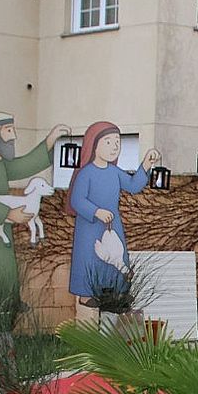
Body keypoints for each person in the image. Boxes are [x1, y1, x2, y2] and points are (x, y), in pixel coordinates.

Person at [0, 112, 69, 302]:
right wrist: (8, 213)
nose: (14, 136)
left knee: (4, 267)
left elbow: (23, 166)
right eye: (8, 130)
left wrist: (49, 141)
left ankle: (7, 302)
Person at [67, 121, 161, 306]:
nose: (114, 146)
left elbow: (133, 185)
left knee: (117, 257)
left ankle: (118, 292)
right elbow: (77, 200)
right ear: (94, 144)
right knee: (90, 258)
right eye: (108, 141)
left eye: (117, 141)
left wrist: (146, 164)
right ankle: (87, 295)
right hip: (90, 226)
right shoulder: (86, 173)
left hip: (112, 223)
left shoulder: (114, 172)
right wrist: (96, 211)